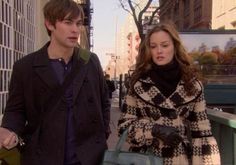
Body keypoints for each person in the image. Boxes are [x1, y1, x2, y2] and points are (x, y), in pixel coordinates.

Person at [0, 0, 111, 164]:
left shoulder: (90, 62)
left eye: (78, 23)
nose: (75, 30)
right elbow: (15, 110)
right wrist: (9, 130)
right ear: (49, 24)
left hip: (88, 157)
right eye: (67, 22)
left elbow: (104, 102)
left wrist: (100, 136)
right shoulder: (25, 67)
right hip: (42, 156)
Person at [117, 22, 221, 165]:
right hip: (145, 158)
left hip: (178, 158)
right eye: (153, 46)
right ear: (149, 50)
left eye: (165, 45)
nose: (159, 51)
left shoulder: (193, 85)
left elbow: (202, 134)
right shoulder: (138, 84)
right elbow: (124, 127)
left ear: (174, 47)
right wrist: (153, 130)